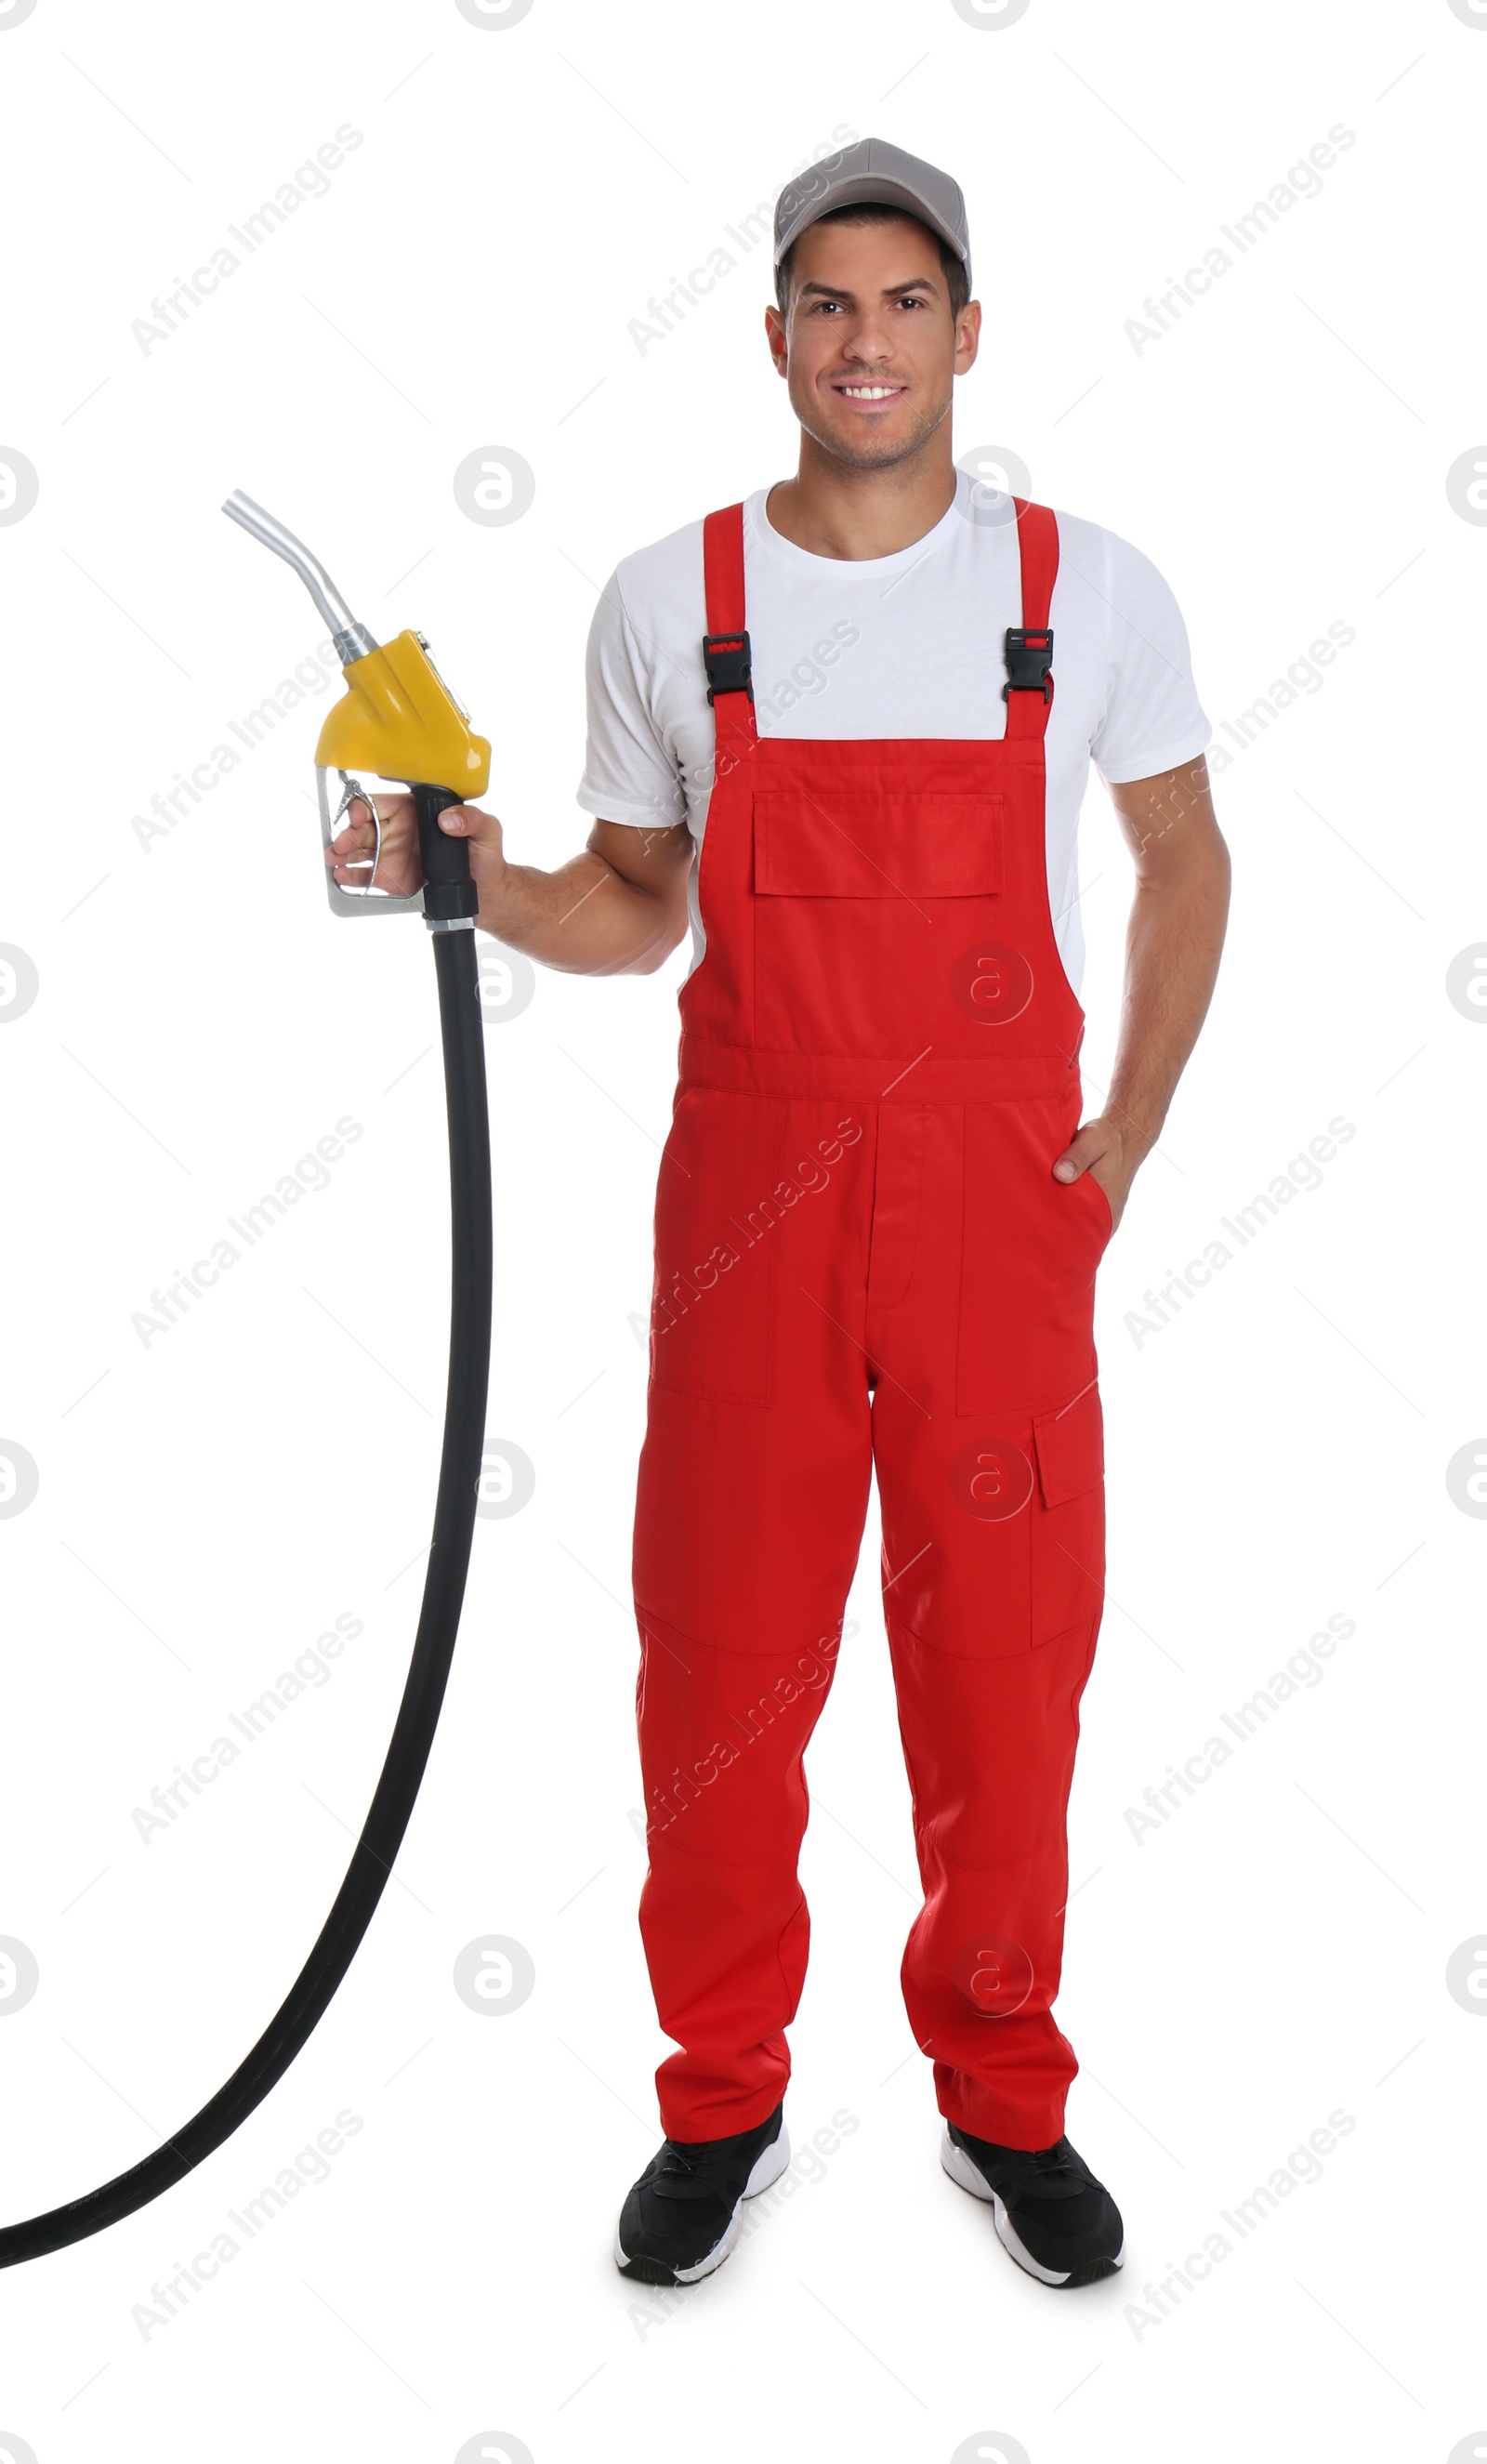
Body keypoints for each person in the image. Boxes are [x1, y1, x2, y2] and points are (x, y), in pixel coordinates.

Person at [328, 137, 1230, 2295]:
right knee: (719, 1668)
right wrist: (461, 874)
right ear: (772, 337)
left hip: (997, 1213)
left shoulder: (1080, 588)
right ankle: (718, 2094)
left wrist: (1122, 1134)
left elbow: (1185, 857)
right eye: (824, 304)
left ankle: (1003, 2099)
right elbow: (631, 907)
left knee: (1002, 1670)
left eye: (901, 304)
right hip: (750, 1195)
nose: (862, 341)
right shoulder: (673, 595)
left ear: (964, 336)